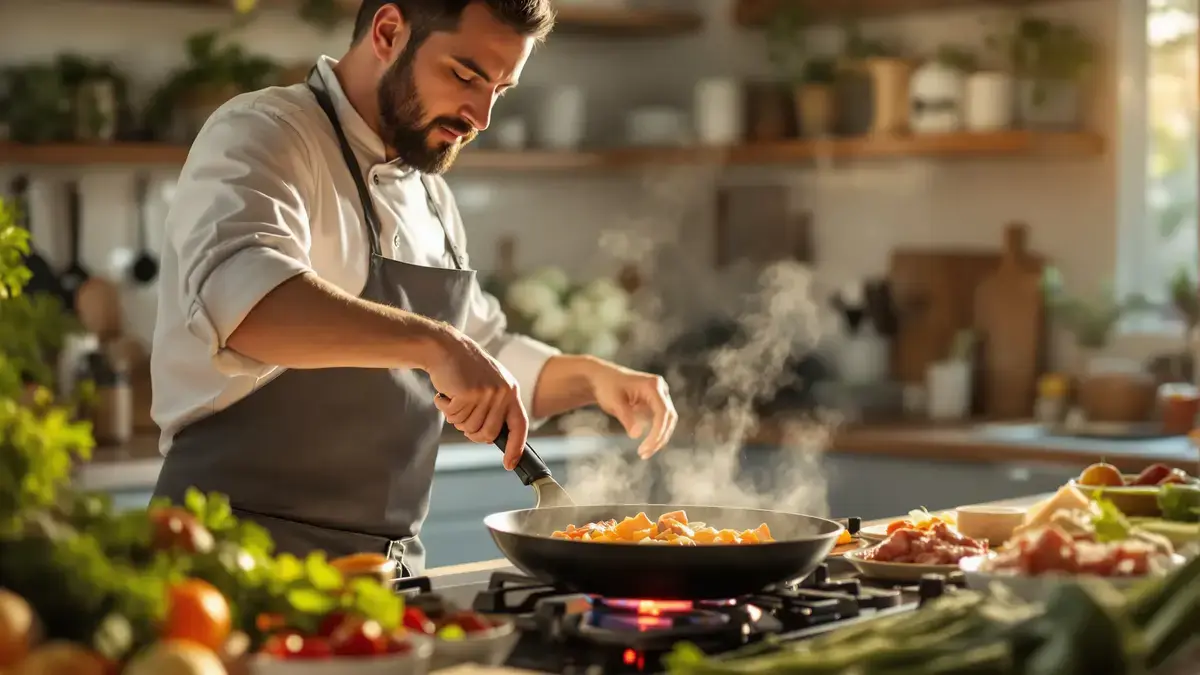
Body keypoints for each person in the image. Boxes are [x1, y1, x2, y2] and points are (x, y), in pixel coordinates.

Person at [150, 0, 678, 575]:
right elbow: (247, 303)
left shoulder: (430, 196)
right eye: (465, 75)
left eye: (500, 90)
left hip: (383, 576)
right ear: (388, 31)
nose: (481, 116)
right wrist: (437, 345)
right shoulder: (266, 131)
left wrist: (593, 379)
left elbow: (485, 356)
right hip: (226, 562)